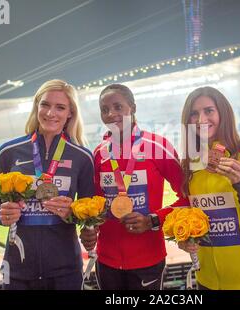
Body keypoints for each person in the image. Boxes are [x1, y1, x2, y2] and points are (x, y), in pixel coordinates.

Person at [0, 79, 94, 290]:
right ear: (36, 106)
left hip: (66, 269)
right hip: (17, 268)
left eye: (60, 107)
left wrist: (73, 213)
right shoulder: (9, 152)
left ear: (70, 113)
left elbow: (89, 211)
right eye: (45, 104)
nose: (50, 113)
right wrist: (2, 213)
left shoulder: (82, 156)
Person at [80, 84, 188, 290]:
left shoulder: (158, 146)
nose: (111, 114)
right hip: (107, 260)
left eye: (118, 107)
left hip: (148, 259)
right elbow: (94, 205)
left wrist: (153, 220)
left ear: (133, 108)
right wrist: (88, 228)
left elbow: (188, 197)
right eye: (105, 109)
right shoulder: (99, 153)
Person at [178, 86, 240, 290]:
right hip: (206, 281)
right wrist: (185, 238)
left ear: (223, 113)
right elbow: (193, 216)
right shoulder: (189, 164)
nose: (200, 119)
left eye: (209, 111)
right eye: (194, 114)